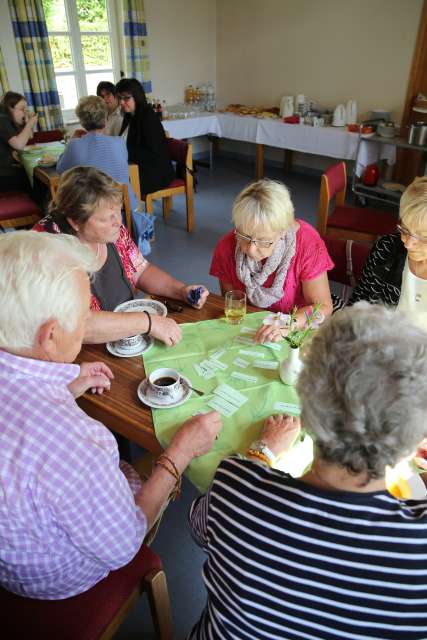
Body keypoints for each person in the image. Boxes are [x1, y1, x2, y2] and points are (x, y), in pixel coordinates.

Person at [0, 230, 221, 600]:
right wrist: (181, 450)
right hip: (56, 580)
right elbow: (124, 544)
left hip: (13, 551)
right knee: (151, 469)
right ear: (50, 335)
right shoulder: (77, 442)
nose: (89, 319)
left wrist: (63, 388)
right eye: (84, 313)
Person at [188, 303, 427, 640]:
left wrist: (262, 452)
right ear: (415, 440)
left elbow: (199, 528)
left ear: (305, 398)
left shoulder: (233, 486)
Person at [34, 167, 209, 346]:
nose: (118, 221)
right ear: (75, 222)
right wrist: (147, 322)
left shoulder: (112, 230)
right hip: (81, 352)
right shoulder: (48, 250)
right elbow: (75, 324)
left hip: (125, 336)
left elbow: (140, 270)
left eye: (118, 211)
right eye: (107, 218)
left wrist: (180, 290)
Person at [210, 179, 334, 343]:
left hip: (294, 335)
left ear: (283, 231)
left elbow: (324, 308)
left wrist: (288, 325)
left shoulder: (307, 244)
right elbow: (232, 304)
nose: (251, 250)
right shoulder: (227, 247)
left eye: (263, 240)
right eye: (244, 236)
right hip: (250, 335)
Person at [56, 95, 153, 254]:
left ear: (82, 121)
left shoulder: (75, 146)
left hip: (93, 208)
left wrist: (71, 143)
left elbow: (61, 169)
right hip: (121, 205)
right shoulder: (119, 143)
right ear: (105, 118)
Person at [349, 177, 427, 330]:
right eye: (404, 230)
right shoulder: (387, 248)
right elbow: (359, 304)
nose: (408, 243)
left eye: (423, 237)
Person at [115, 78, 174, 196]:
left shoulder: (147, 117)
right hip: (137, 168)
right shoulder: (130, 115)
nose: (121, 102)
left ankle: (131, 213)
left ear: (137, 97)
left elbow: (152, 154)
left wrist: (123, 152)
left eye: (126, 98)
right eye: (120, 98)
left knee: (113, 188)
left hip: (154, 173)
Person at [0, 91, 38, 192]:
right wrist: (29, 124)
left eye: (26, 109)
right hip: (4, 174)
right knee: (38, 182)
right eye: (22, 109)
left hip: (9, 169)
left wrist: (27, 122)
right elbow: (19, 144)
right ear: (9, 108)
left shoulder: (10, 119)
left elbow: (29, 136)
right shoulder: (2, 119)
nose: (25, 112)